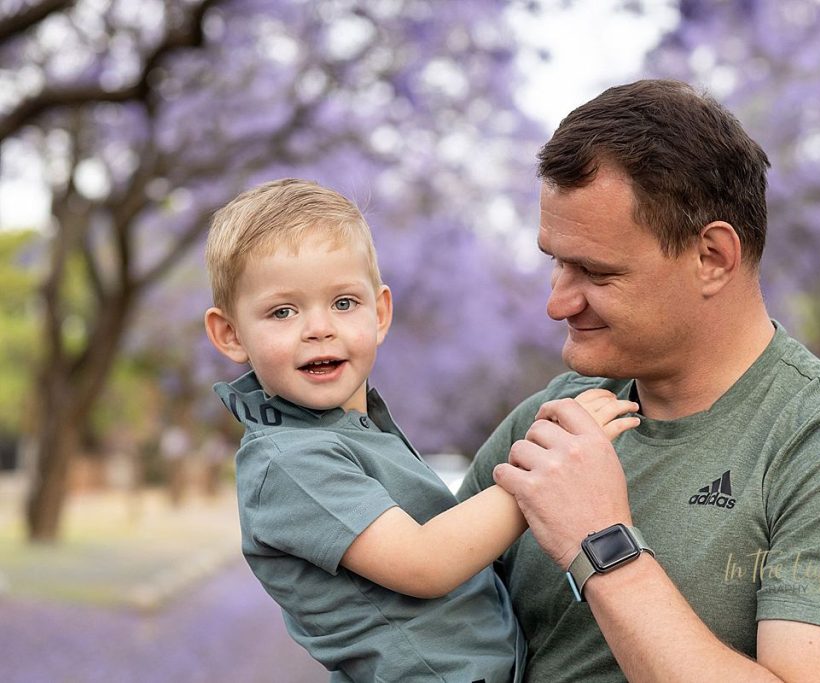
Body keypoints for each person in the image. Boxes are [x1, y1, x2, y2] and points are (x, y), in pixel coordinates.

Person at [458, 79, 820, 682]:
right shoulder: (549, 420)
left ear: (713, 257)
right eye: (557, 261)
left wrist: (600, 541)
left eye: (595, 272)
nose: (557, 304)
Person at [202, 178, 639, 682]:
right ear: (230, 334)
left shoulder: (353, 430)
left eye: (343, 303)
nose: (319, 328)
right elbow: (425, 563)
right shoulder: (289, 462)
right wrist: (548, 471)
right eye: (283, 311)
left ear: (380, 312)